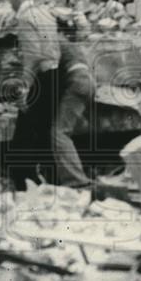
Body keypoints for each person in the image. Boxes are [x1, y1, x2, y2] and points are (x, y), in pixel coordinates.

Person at [5, 0, 64, 189]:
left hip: (41, 76)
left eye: (9, 0)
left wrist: (25, 86)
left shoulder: (25, 17)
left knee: (25, 130)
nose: (10, 5)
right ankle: (51, 179)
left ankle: (23, 180)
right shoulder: (44, 12)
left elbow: (33, 55)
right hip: (55, 73)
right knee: (44, 129)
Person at [54, 31, 94, 188]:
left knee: (59, 133)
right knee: (65, 129)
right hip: (87, 81)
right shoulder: (68, 44)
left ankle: (76, 181)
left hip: (77, 81)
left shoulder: (51, 39)